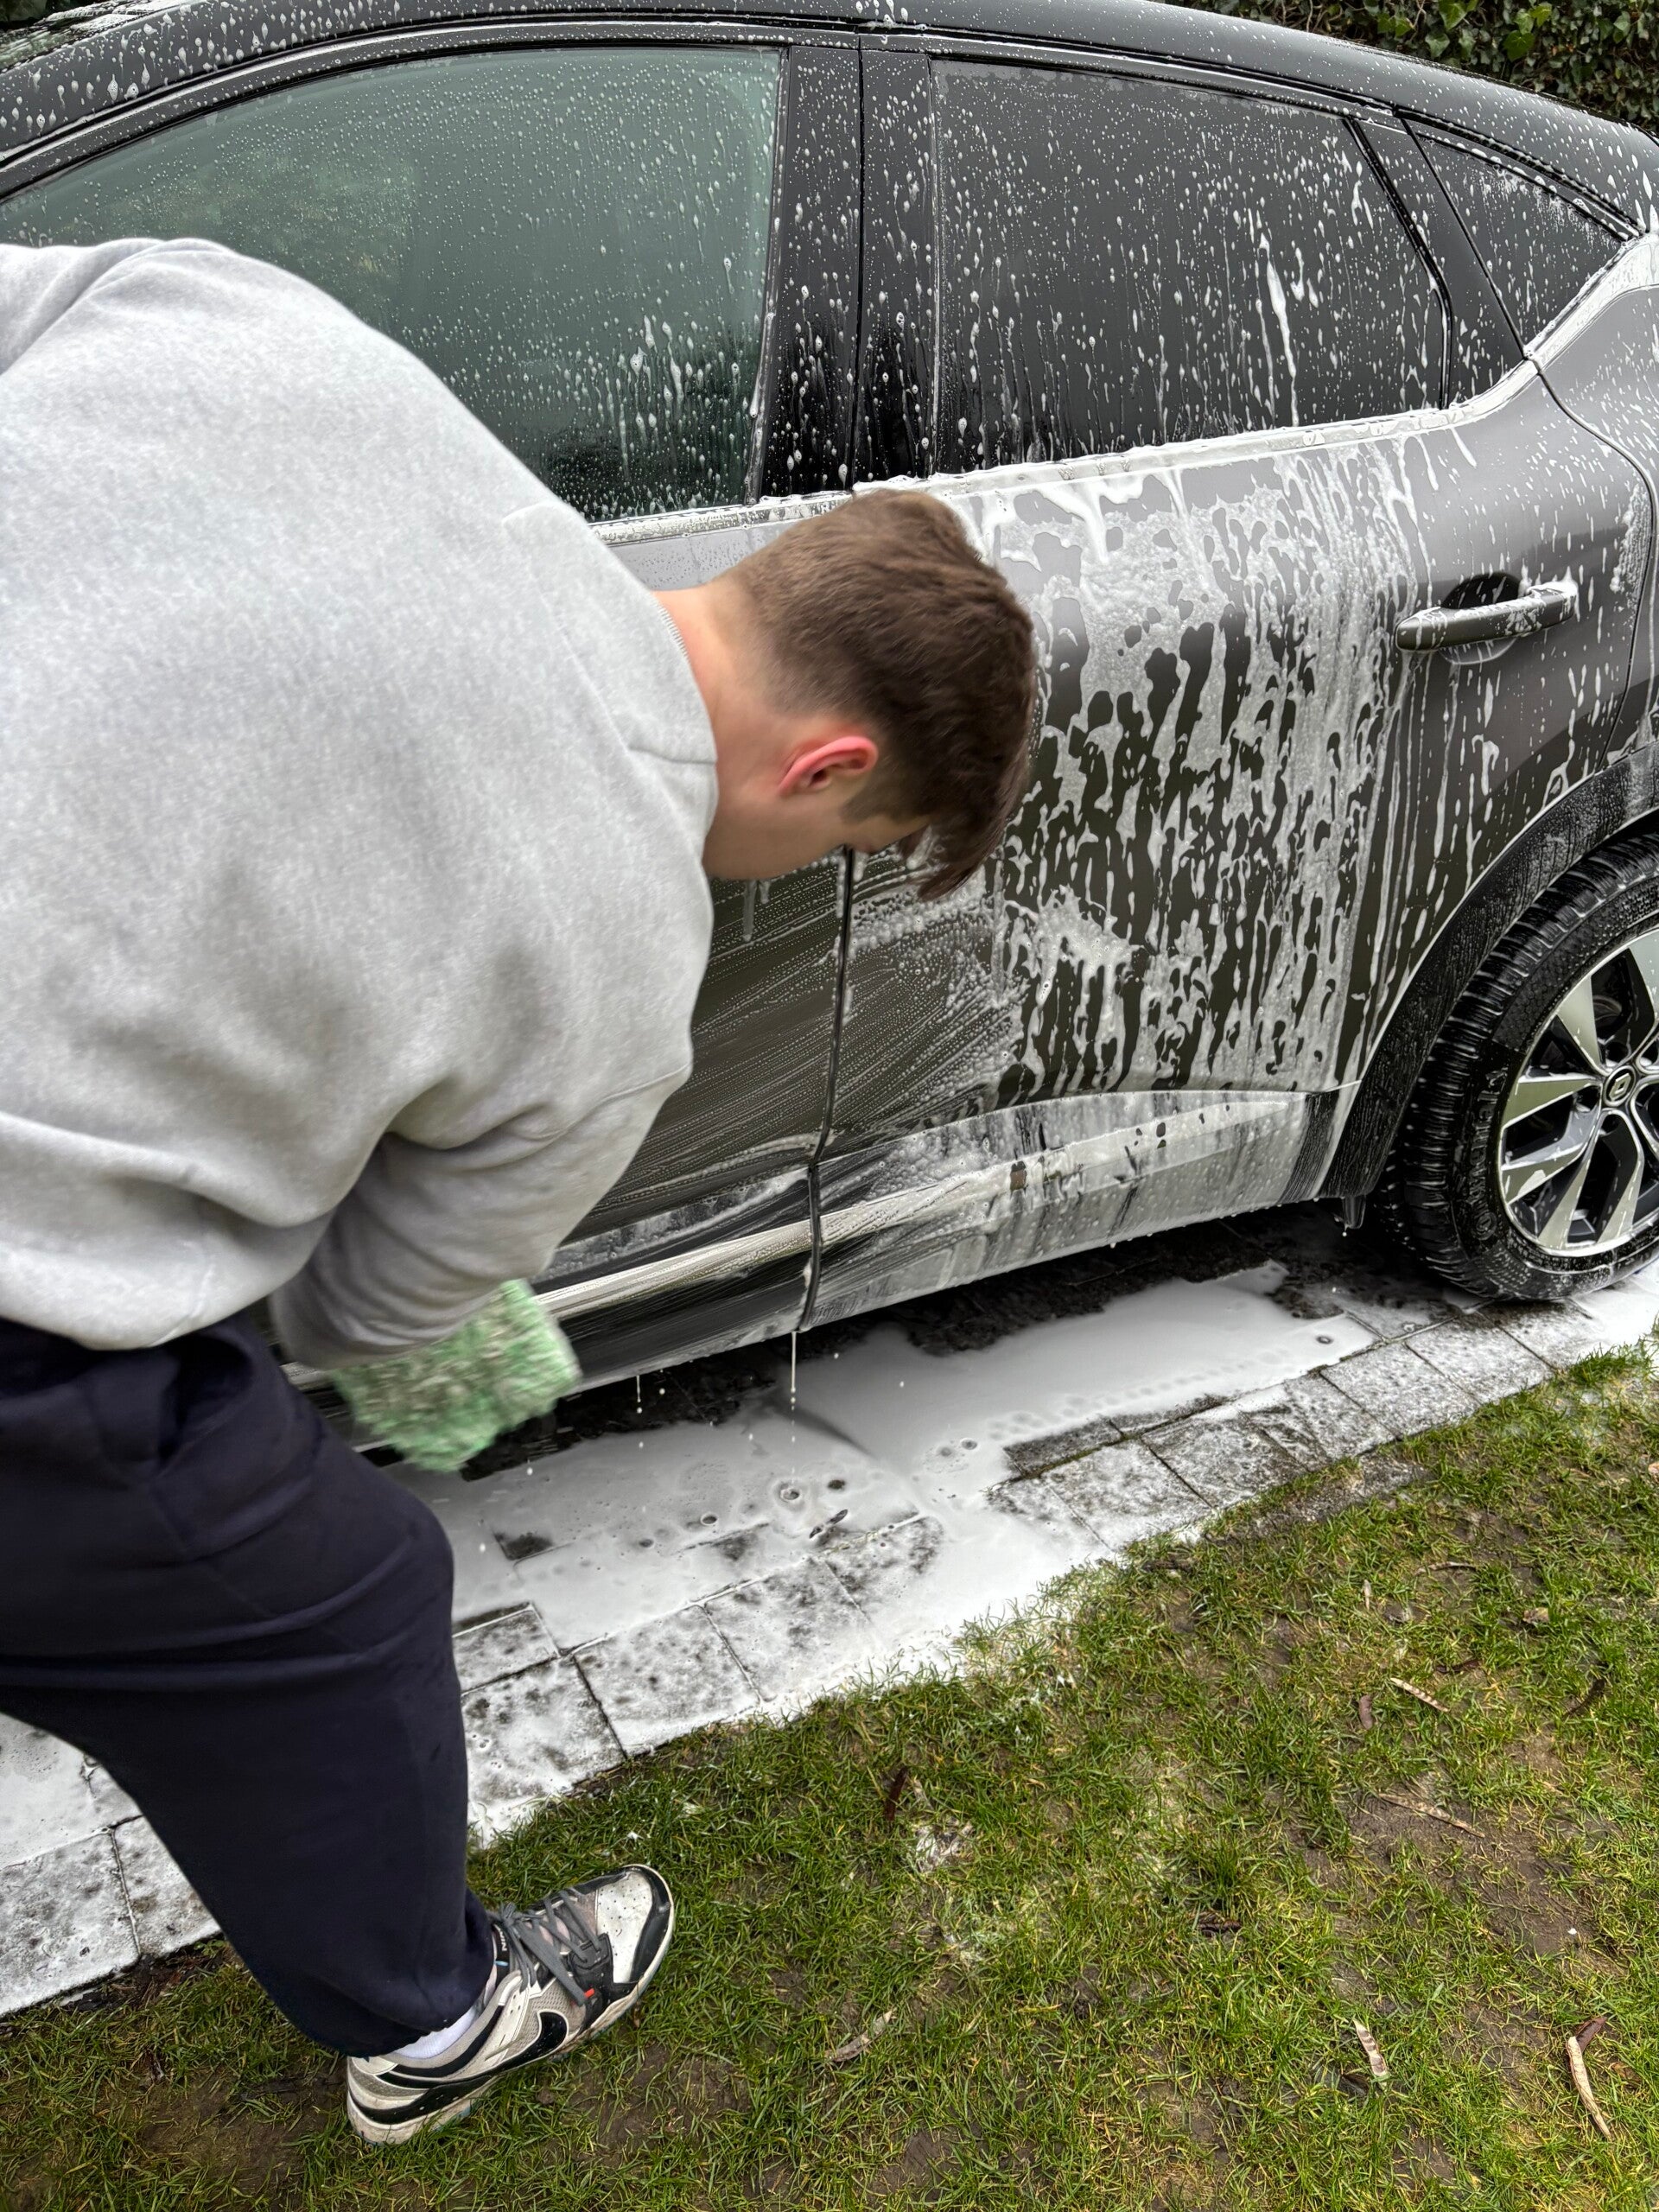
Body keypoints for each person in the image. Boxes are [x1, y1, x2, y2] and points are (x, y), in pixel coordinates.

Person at [0, 237, 1038, 2143]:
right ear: (827, 766)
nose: (807, 871)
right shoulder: (625, 954)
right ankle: (431, 2017)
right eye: (853, 846)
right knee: (345, 1604)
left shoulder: (269, 328)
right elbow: (363, 1317)